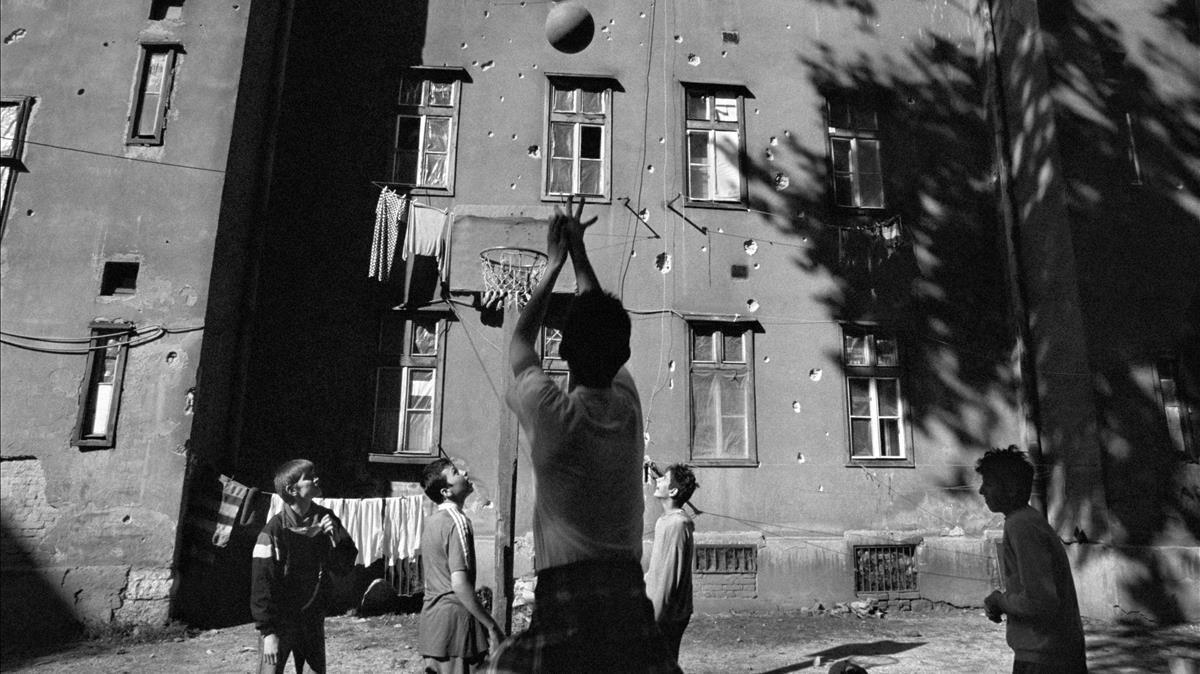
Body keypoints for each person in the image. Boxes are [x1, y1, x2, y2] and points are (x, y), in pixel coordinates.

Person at [487, 196, 678, 673]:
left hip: (567, 601)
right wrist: (579, 255)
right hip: (630, 603)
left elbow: (518, 344)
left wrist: (553, 263)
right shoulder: (628, 407)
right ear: (624, 353)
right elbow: (598, 322)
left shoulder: (553, 415)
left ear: (565, 349)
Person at [977, 446, 1087, 674]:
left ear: (1011, 488)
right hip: (1051, 652)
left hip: (1045, 657)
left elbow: (1040, 601)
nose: (981, 491)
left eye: (988, 484)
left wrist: (999, 601)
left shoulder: (1022, 526)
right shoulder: (1026, 521)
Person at [250, 459, 358, 674]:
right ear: (292, 490)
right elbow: (262, 583)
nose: (317, 478)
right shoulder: (273, 531)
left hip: (312, 619)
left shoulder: (326, 518)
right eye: (309, 477)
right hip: (280, 621)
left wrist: (336, 539)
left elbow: (344, 566)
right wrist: (268, 632)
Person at [419, 457, 506, 673]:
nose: (465, 474)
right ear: (445, 492)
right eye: (456, 472)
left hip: (433, 627)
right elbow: (459, 584)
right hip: (456, 628)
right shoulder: (457, 521)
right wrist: (491, 625)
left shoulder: (432, 521)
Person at [645, 463, 698, 665]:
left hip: (667, 614)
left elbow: (668, 577)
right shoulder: (665, 521)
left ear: (673, 491)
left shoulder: (676, 525)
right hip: (662, 610)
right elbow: (657, 571)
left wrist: (652, 619)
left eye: (664, 479)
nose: (657, 480)